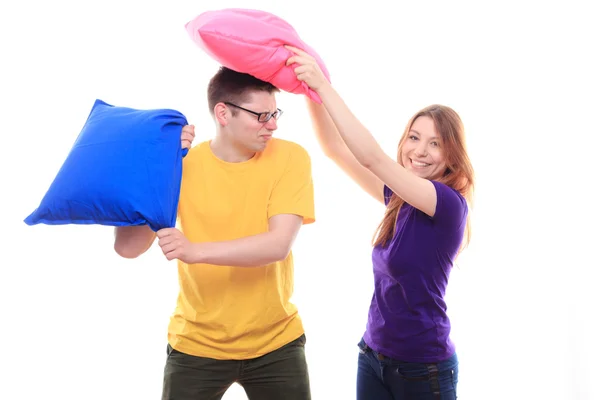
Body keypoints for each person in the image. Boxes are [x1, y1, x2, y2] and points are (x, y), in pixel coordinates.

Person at [113, 66, 315, 400]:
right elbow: (128, 248)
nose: (273, 125)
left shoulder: (290, 157)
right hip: (196, 343)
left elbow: (277, 244)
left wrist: (196, 251)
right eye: (262, 115)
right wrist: (157, 167)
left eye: (275, 113)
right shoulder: (183, 165)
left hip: (276, 342)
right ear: (223, 113)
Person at [285, 46, 475, 399]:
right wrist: (310, 92)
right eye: (414, 138)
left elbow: (371, 157)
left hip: (422, 369)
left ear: (452, 155)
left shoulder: (447, 204)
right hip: (373, 357)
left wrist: (325, 87)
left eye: (435, 144)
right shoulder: (400, 197)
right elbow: (335, 149)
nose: (418, 151)